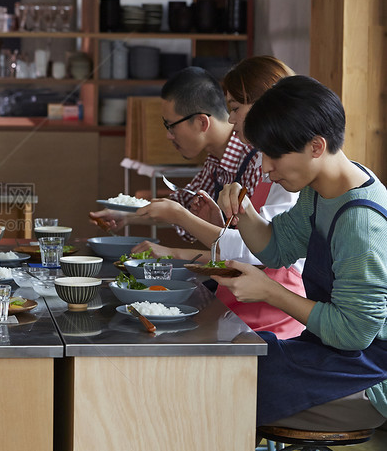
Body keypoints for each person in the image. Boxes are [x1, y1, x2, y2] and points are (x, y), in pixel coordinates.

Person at [214, 75, 387, 431]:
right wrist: (244, 211)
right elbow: (277, 249)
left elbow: (354, 333)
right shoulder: (324, 188)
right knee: (235, 355)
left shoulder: (360, 223)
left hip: (370, 378)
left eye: (274, 155)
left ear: (316, 146)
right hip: (334, 353)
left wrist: (270, 292)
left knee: (225, 382)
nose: (265, 167)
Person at [129, 56, 305, 338]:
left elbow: (261, 250)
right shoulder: (267, 164)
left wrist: (181, 218)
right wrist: (219, 222)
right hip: (238, 310)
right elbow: (252, 241)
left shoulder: (288, 171)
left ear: (268, 107)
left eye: (235, 108)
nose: (231, 119)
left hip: (271, 326)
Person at [90, 66, 262, 244]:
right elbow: (182, 203)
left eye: (171, 125)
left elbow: (251, 248)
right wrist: (125, 215)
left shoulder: (257, 161)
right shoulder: (214, 160)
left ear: (202, 122)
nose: (169, 135)